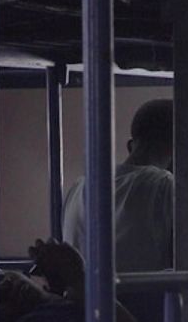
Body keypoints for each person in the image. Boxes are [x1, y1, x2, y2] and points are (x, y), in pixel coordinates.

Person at [60, 98, 174, 273]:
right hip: (139, 299)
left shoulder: (79, 186)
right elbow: (184, 259)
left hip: (80, 298)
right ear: (179, 147)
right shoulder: (164, 185)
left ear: (131, 145)